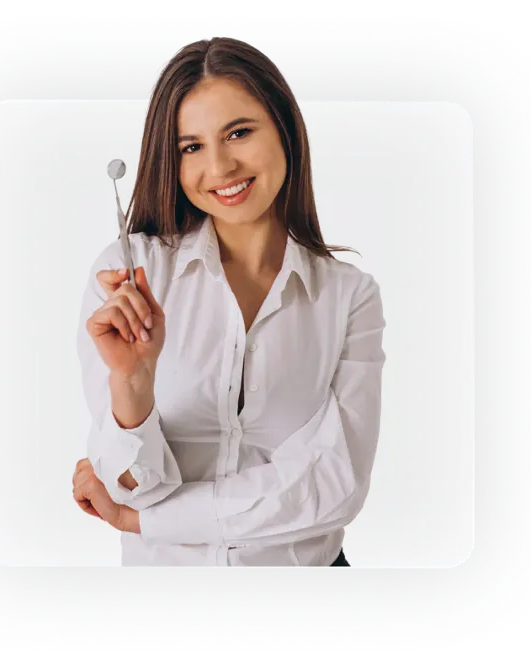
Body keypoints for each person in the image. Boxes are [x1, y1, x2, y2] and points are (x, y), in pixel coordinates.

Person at [72, 35, 386, 568]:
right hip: (165, 604)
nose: (219, 168)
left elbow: (337, 487)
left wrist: (149, 521)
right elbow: (124, 487)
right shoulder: (133, 276)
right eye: (191, 146)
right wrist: (133, 381)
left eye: (238, 133)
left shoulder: (349, 295)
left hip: (308, 598)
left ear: (284, 129)